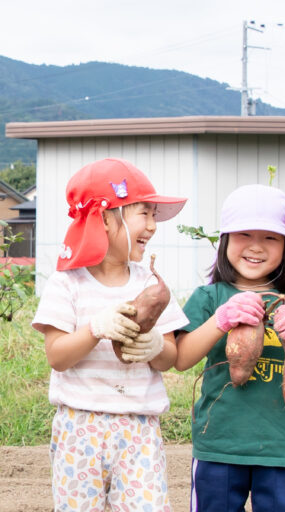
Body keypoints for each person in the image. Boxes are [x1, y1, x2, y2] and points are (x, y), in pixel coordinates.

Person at [31, 158, 189, 511]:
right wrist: (95, 329)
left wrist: (153, 346)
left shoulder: (151, 284)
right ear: (104, 218)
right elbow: (57, 355)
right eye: (143, 214)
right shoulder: (66, 284)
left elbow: (171, 356)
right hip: (79, 426)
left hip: (139, 427)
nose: (152, 226)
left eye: (153, 215)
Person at [175, 183, 285, 512]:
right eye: (244, 234)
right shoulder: (210, 296)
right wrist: (221, 319)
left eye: (270, 238)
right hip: (219, 445)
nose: (256, 247)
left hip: (284, 448)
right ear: (225, 240)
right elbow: (182, 358)